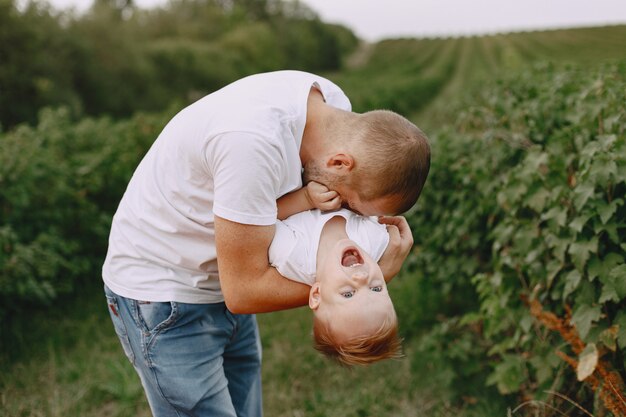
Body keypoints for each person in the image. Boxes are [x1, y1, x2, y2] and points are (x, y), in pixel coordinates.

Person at [102, 70, 430, 417]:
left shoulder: (332, 110)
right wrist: (374, 277)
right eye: (354, 205)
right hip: (166, 290)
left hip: (228, 267)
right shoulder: (251, 142)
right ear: (339, 163)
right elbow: (244, 292)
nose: (351, 215)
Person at [269, 203, 406, 366]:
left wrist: (305, 198)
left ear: (316, 294)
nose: (362, 277)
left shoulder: (291, 255)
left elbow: (264, 215)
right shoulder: (376, 241)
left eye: (348, 294)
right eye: (376, 288)